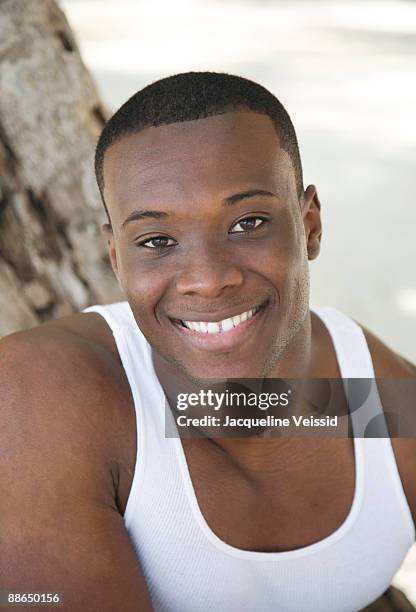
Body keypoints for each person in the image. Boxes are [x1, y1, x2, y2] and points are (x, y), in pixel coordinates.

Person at [1, 72, 415, 612]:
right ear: (115, 256)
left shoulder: (381, 402)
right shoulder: (38, 393)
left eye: (248, 222)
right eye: (156, 240)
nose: (207, 277)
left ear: (309, 225)